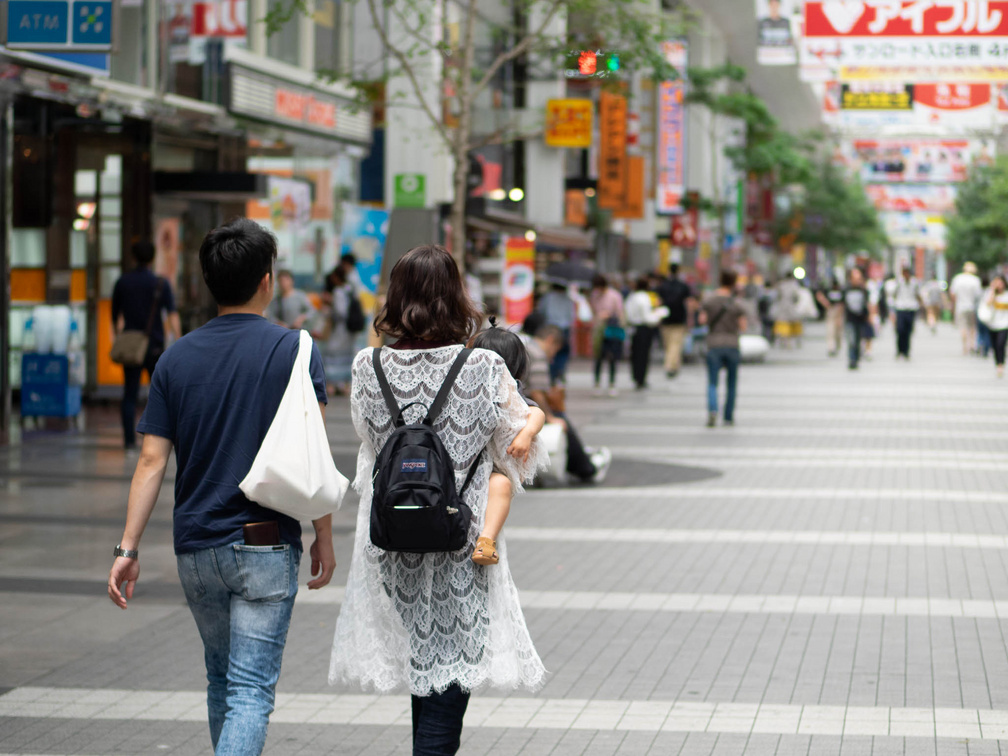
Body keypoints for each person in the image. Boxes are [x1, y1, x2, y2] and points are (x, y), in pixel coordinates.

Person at [107, 218, 337, 755]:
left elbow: (150, 461)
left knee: (223, 683)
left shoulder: (175, 358)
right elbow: (313, 452)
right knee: (251, 691)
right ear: (267, 279)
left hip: (195, 546)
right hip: (264, 542)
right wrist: (322, 533)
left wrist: (127, 548)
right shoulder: (295, 350)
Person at [329, 244, 547, 756]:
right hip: (461, 544)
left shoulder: (368, 366)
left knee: (424, 676)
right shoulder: (484, 366)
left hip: (393, 543)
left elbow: (371, 455)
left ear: (396, 297)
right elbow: (520, 459)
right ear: (456, 297)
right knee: (448, 689)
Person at [468, 322, 546, 565]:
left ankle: (486, 541)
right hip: (465, 466)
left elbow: (535, 412)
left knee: (501, 484)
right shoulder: (463, 387)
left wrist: (526, 434)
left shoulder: (510, 389)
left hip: (491, 468)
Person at [111, 240, 181, 450]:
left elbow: (115, 315)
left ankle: (129, 441)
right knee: (160, 394)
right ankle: (160, 439)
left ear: (133, 257)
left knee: (129, 394)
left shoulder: (123, 282)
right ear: (152, 258)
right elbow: (172, 314)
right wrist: (179, 340)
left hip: (132, 345)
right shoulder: (160, 283)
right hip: (155, 346)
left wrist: (120, 336)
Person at [523, 323, 611, 484]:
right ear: (550, 340)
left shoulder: (525, 346)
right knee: (562, 421)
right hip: (525, 408)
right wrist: (550, 417)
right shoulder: (537, 354)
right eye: (555, 349)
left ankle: (584, 461)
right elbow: (537, 391)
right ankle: (586, 468)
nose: (553, 355)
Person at [699, 270, 747, 428]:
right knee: (731, 383)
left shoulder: (709, 300)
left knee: (712, 381)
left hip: (714, 343)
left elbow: (702, 320)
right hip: (732, 344)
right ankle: (728, 416)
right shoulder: (736, 303)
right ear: (733, 282)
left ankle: (713, 410)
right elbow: (743, 326)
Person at [624, 277, 665, 389]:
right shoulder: (645, 298)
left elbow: (627, 313)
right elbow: (647, 316)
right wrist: (658, 315)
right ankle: (641, 378)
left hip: (633, 328)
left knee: (635, 354)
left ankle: (635, 376)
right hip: (644, 328)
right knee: (643, 355)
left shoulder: (631, 297)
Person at [321, 266, 356, 395]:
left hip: (340, 330)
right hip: (349, 330)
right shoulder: (350, 289)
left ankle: (332, 384)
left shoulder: (338, 292)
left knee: (332, 354)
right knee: (346, 356)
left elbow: (341, 312)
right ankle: (344, 384)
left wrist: (330, 305)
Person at [589, 274, 625, 396]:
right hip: (599, 330)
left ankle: (612, 383)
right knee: (598, 357)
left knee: (613, 358)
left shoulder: (614, 295)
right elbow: (593, 312)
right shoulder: (594, 296)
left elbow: (620, 312)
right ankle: (597, 383)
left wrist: (609, 315)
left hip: (612, 329)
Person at [657, 263, 695, 377]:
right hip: (679, 318)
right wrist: (690, 319)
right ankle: (672, 365)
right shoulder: (683, 286)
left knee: (668, 344)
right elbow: (689, 303)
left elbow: (658, 302)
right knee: (676, 344)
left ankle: (671, 365)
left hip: (665, 319)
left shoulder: (662, 285)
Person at [535, 282, 576, 385]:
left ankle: (552, 376)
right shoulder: (569, 299)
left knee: (550, 354)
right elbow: (571, 316)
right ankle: (561, 373)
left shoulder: (547, 298)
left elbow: (541, 312)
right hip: (564, 329)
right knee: (563, 354)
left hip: (551, 328)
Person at [842, 267, 874, 370]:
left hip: (861, 319)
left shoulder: (863, 290)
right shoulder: (846, 290)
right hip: (850, 319)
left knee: (858, 340)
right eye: (855, 278)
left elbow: (868, 304)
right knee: (851, 339)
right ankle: (852, 359)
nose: (857, 280)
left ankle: (856, 358)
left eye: (859, 278)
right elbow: (841, 304)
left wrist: (870, 316)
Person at [949, 261, 983, 355]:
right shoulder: (975, 280)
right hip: (972, 306)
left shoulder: (958, 278)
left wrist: (953, 305)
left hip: (960, 306)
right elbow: (978, 295)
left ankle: (965, 347)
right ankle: (972, 344)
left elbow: (953, 294)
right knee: (972, 327)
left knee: (963, 326)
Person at [891, 265, 924, 359]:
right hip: (900, 307)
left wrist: (921, 304)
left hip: (911, 308)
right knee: (900, 330)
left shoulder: (914, 283)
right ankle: (899, 349)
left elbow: (918, 294)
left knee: (908, 331)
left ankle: (906, 350)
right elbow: (894, 294)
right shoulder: (899, 282)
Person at [982, 275, 1008, 378]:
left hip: (1005, 324)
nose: (999, 285)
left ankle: (1000, 365)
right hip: (992, 323)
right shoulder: (990, 293)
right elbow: (987, 304)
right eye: (997, 282)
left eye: (1001, 283)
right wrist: (993, 290)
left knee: (1001, 344)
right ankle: (997, 363)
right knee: (995, 346)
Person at [772, 272, 803, 349]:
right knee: (795, 325)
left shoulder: (780, 285)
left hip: (782, 307)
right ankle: (795, 341)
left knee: (783, 325)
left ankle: (784, 341)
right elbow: (796, 297)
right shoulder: (794, 285)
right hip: (791, 308)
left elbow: (777, 296)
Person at [815, 278, 844, 357]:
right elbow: (819, 295)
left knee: (838, 332)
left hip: (839, 311)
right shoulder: (828, 290)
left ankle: (837, 346)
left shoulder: (841, 291)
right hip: (831, 311)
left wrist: (839, 314)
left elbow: (843, 302)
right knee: (830, 331)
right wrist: (826, 304)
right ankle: (831, 348)